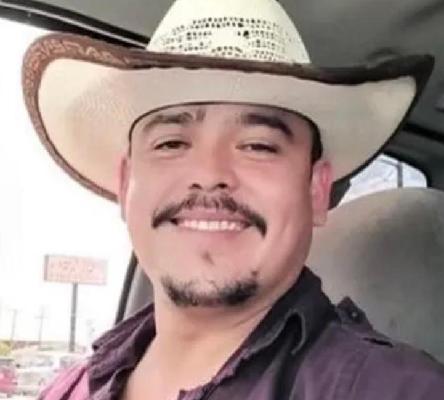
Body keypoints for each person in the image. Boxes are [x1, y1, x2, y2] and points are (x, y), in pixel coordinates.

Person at [22, 0, 443, 399]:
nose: (209, 175)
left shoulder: (391, 389)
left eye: (258, 145)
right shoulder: (70, 387)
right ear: (126, 183)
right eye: (171, 143)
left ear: (316, 190)